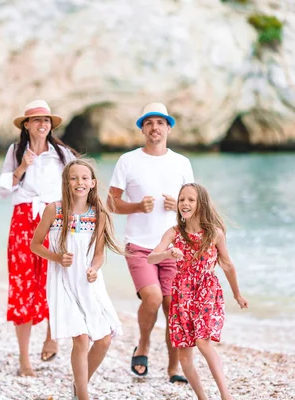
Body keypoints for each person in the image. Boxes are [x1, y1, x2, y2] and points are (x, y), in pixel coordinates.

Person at [106, 102, 194, 383]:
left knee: (173, 307)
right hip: (139, 246)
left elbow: (194, 204)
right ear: (142, 129)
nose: (154, 127)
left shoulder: (181, 162)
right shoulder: (128, 161)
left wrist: (178, 205)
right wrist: (135, 207)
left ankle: (173, 368)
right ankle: (143, 343)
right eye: (149, 123)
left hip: (174, 248)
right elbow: (111, 203)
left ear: (168, 127)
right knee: (153, 298)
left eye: (160, 122)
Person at [0, 99, 78, 377]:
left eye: (47, 120)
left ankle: (52, 336)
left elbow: (80, 184)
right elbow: (3, 190)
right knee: (22, 283)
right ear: (27, 125)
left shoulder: (63, 154)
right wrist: (21, 166)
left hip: (53, 218)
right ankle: (24, 359)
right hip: (22, 219)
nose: (42, 124)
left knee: (54, 276)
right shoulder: (16, 150)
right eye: (37, 120)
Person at [31, 159, 123, 400]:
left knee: (104, 339)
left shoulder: (99, 214)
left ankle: (78, 385)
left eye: (84, 178)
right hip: (62, 280)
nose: (79, 182)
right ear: (66, 182)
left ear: (92, 183)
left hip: (90, 281)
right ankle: (83, 395)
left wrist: (94, 268)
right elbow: (35, 245)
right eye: (73, 178)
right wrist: (56, 257)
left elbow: (100, 253)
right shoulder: (54, 209)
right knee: (81, 338)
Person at [147, 183, 248, 400]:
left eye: (191, 200)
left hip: (206, 289)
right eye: (182, 199)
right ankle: (202, 397)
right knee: (184, 356)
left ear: (200, 203)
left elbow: (228, 265)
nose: (185, 203)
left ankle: (225, 395)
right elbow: (151, 258)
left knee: (203, 341)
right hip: (181, 294)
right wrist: (167, 254)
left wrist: (237, 294)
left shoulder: (214, 233)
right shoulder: (173, 233)